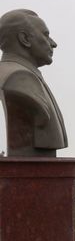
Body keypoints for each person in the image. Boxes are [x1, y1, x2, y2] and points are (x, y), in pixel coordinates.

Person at [0, 9, 67, 157]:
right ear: (24, 39)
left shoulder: (25, 75)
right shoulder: (16, 77)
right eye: (46, 35)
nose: (53, 44)